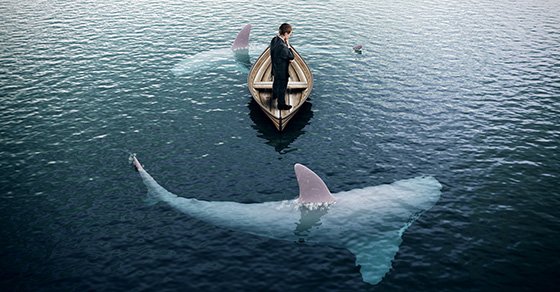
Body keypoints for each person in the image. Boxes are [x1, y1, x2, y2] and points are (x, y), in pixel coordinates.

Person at [270, 23, 295, 110]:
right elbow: (291, 57)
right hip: (282, 71)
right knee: (282, 87)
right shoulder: (283, 47)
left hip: (275, 68)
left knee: (276, 82)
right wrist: (288, 44)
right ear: (285, 34)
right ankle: (281, 105)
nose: (290, 36)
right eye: (290, 34)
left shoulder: (274, 40)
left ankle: (274, 95)